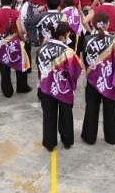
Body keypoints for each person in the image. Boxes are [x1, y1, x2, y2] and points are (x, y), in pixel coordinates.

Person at [80, 12, 115, 145]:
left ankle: (89, 137)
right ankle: (111, 138)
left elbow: (85, 60)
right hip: (109, 82)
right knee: (111, 109)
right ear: (107, 25)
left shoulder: (87, 40)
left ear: (93, 24)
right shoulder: (114, 40)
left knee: (91, 109)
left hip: (92, 80)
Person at [36, 21, 84, 151]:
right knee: (66, 114)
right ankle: (67, 140)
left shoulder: (41, 48)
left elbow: (40, 68)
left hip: (46, 86)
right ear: (65, 35)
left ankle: (49, 143)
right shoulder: (68, 51)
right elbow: (75, 71)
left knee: (49, 115)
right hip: (64, 88)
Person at [0, 0, 31, 97]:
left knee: (4, 69)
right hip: (14, 42)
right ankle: (22, 87)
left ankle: (7, 91)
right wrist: (23, 39)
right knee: (20, 65)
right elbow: (19, 30)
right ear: (11, 2)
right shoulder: (16, 13)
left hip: (2, 42)